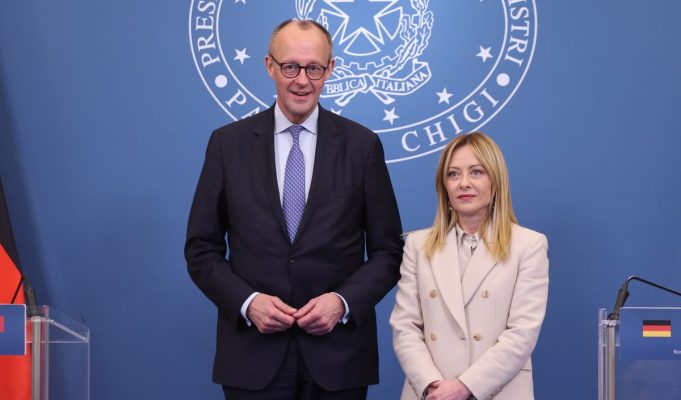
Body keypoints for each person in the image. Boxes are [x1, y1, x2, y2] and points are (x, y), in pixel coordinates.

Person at [185, 19, 403, 400]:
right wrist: (248, 303)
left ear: (330, 70)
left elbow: (389, 252)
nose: (302, 80)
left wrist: (343, 303)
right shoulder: (227, 145)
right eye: (290, 67)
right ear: (270, 66)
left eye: (314, 68)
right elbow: (201, 250)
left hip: (339, 361)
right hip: (253, 358)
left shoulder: (362, 146)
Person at [390, 132, 549, 400]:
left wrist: (465, 387)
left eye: (476, 172)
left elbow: (522, 334)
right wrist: (432, 385)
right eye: (453, 174)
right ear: (444, 187)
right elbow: (405, 327)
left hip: (497, 392)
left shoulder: (528, 245)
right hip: (430, 394)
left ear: (495, 181)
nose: (464, 183)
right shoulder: (418, 245)